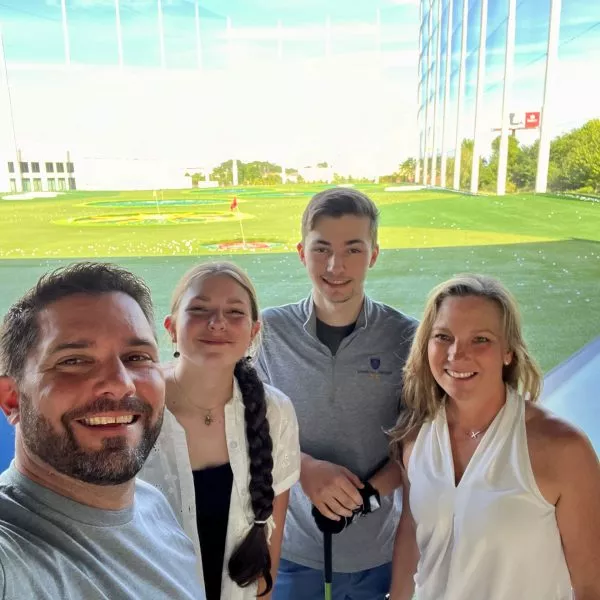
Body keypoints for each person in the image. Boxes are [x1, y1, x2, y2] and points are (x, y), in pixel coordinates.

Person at [0, 262, 205, 600]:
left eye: (137, 357)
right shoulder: (13, 556)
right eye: (74, 361)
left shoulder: (153, 505)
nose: (120, 385)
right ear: (11, 400)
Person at [388, 274, 600, 600]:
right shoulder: (415, 436)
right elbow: (412, 534)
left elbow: (591, 585)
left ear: (508, 352)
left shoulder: (563, 450)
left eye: (481, 340)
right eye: (443, 336)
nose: (457, 354)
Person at [256, 188, 417, 599]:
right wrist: (305, 468)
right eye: (321, 248)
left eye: (353, 250)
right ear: (301, 252)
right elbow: (242, 425)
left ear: (374, 255)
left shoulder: (407, 336)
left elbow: (421, 445)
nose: (335, 266)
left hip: (377, 554)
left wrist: (368, 496)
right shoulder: (265, 333)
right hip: (289, 550)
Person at [139, 261, 300, 600]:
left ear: (254, 332)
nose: (217, 323)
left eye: (235, 312)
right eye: (199, 309)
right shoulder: (136, 411)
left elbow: (270, 541)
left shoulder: (276, 412)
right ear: (170, 328)